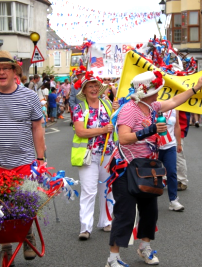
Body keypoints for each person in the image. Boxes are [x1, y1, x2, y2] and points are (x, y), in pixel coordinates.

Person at [105, 71, 202, 267]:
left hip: (147, 168)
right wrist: (150, 130)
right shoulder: (129, 110)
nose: (159, 93)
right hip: (126, 168)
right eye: (156, 90)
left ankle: (144, 248)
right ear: (145, 93)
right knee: (125, 214)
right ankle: (113, 258)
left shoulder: (152, 107)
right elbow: (124, 137)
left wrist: (195, 88)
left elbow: (176, 100)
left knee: (150, 212)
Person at [0, 50, 45, 264]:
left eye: (6, 68)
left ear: (15, 71)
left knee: (24, 204)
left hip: (24, 162)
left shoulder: (29, 96)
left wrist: (40, 160)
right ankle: (6, 247)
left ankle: (27, 233)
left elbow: (37, 127)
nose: (1, 72)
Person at [72, 72, 118, 241]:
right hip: (88, 155)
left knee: (107, 189)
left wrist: (117, 110)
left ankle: (107, 221)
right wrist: (102, 130)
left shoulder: (107, 104)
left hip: (107, 154)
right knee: (89, 191)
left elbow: (116, 124)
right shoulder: (79, 108)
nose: (93, 89)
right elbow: (80, 131)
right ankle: (85, 227)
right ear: (84, 90)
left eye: (96, 86)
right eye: (90, 86)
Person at [158, 109, 184, 211]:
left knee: (172, 172)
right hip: (155, 146)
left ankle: (173, 200)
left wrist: (179, 143)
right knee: (152, 174)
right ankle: (147, 200)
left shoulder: (174, 108)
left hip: (170, 145)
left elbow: (177, 126)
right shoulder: (154, 105)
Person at [177, 111, 190, 191]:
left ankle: (182, 180)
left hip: (178, 127)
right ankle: (164, 177)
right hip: (165, 126)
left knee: (178, 155)